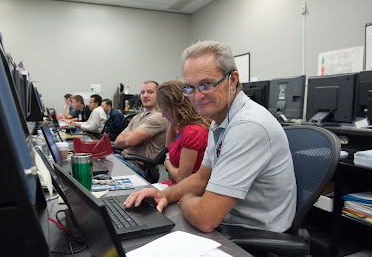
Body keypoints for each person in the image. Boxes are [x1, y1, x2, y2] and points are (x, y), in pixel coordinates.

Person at [124, 41, 297, 234]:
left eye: (206, 85)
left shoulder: (248, 126)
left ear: (232, 80)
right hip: (227, 222)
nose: (197, 97)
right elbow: (202, 178)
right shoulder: (219, 120)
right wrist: (163, 194)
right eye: (190, 87)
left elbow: (205, 218)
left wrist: (183, 198)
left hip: (251, 235)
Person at [155, 79, 210, 187]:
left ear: (177, 108)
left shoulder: (193, 132)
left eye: (165, 110)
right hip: (176, 186)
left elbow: (182, 178)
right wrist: (173, 120)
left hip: (186, 191)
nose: (163, 115)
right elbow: (169, 145)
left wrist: (167, 162)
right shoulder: (185, 125)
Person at [114, 81, 168, 179]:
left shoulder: (160, 116)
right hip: (123, 159)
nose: (145, 95)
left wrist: (131, 138)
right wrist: (134, 138)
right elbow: (118, 141)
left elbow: (129, 140)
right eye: (142, 92)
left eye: (150, 92)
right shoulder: (137, 117)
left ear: (159, 95)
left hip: (136, 167)